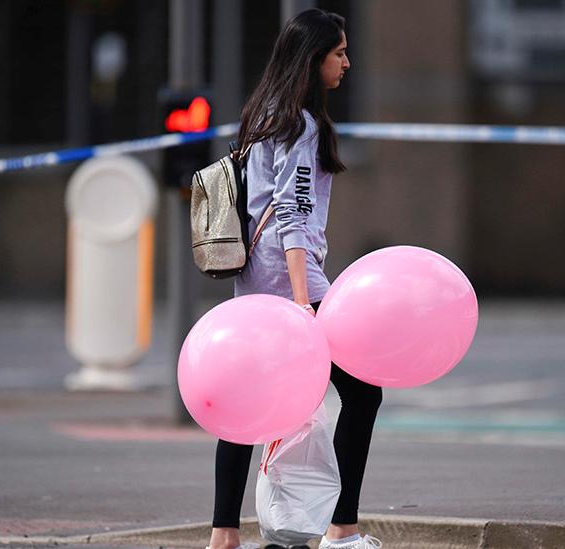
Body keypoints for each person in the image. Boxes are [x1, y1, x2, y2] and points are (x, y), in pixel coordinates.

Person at [205, 9, 383, 549]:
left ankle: (223, 537)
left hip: (253, 287)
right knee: (364, 393)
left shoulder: (263, 113)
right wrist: (305, 304)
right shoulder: (300, 123)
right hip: (291, 288)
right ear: (314, 61)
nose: (348, 63)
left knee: (243, 405)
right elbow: (292, 215)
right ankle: (342, 529)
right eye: (339, 53)